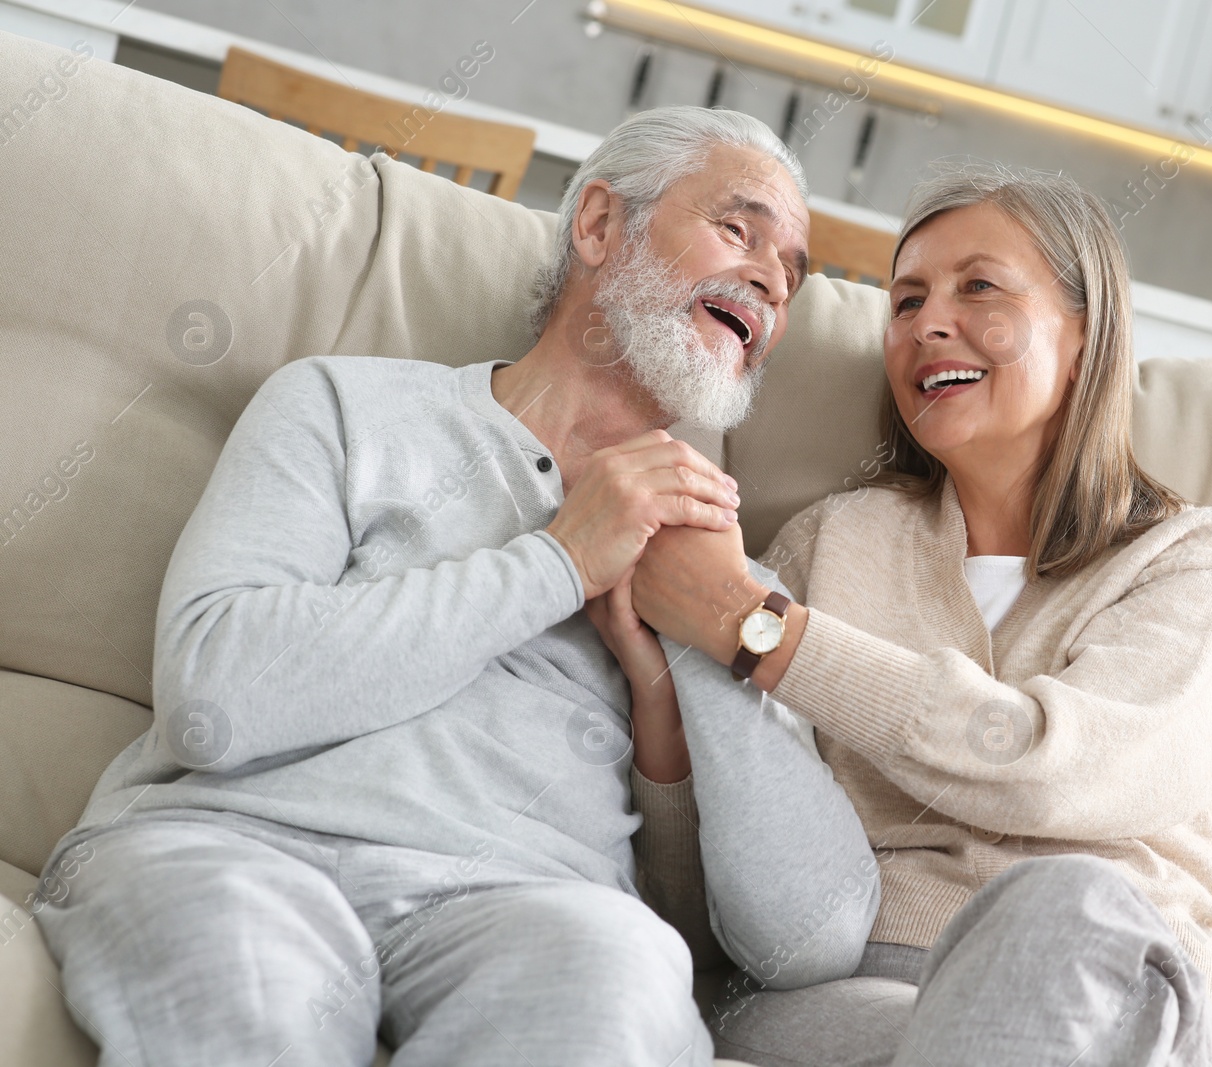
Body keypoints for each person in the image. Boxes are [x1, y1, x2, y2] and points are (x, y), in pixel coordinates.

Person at [33, 106, 878, 1067]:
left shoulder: (726, 577)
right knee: (251, 995)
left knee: (621, 974)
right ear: (599, 226)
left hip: (526, 906)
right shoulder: (349, 407)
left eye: (795, 273)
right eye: (740, 228)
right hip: (241, 849)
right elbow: (214, 697)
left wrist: (717, 620)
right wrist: (557, 561)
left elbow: (813, 936)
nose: (773, 279)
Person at [631, 161, 1212, 1066]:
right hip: (867, 995)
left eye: (978, 287)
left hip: (1112, 985)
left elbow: (1050, 769)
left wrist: (757, 629)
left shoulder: (1194, 563)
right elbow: (711, 875)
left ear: (1087, 336)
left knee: (1068, 901)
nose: (928, 324)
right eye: (905, 300)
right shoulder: (830, 543)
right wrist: (672, 669)